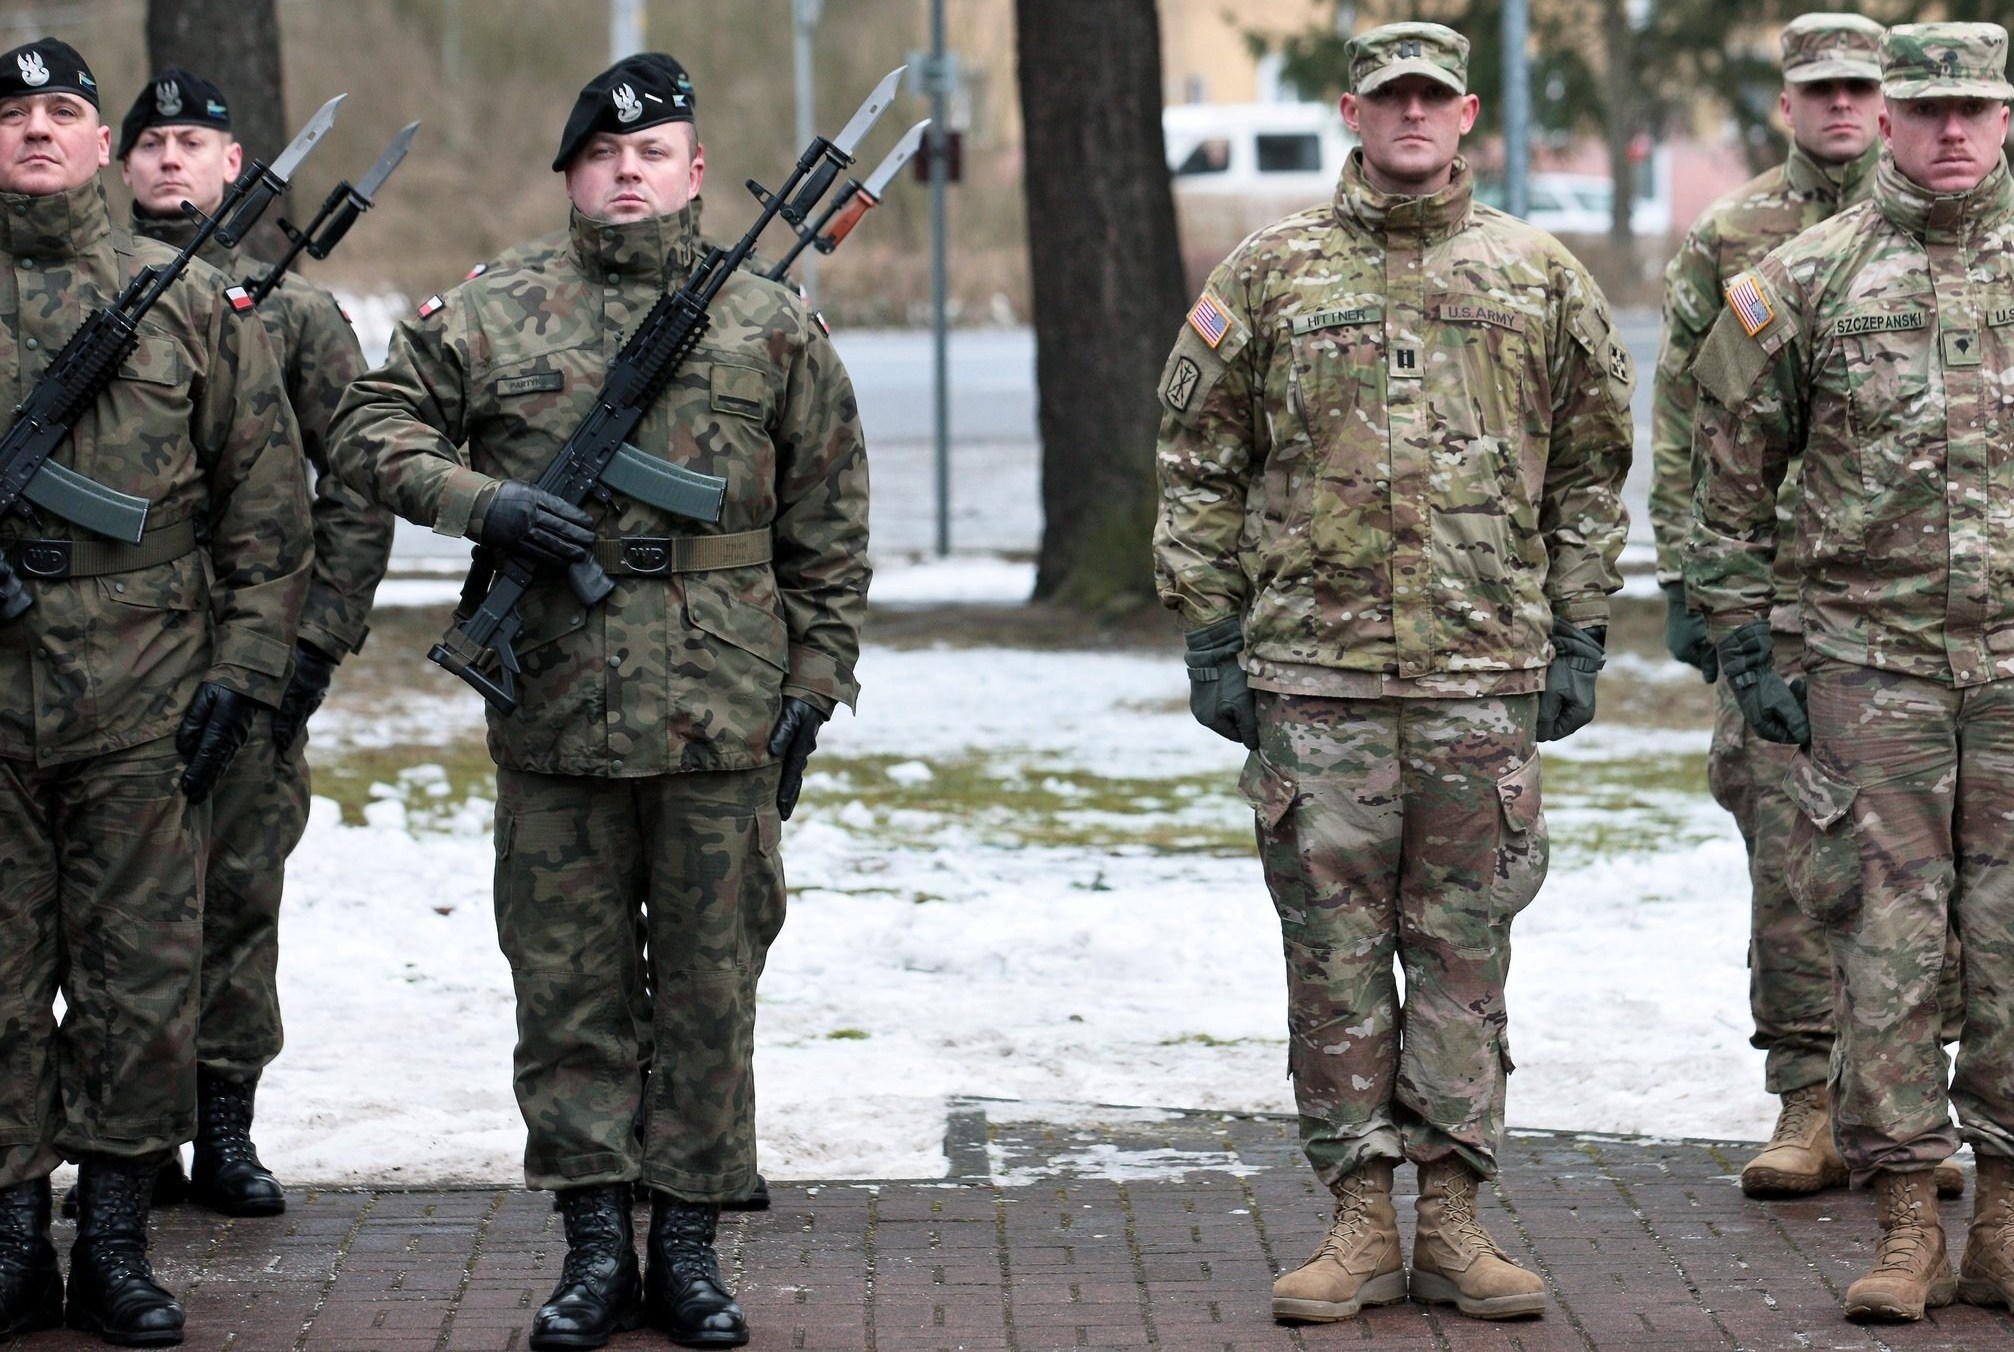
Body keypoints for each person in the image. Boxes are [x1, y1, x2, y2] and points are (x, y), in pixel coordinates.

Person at [331, 52, 867, 1351]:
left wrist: (814, 678)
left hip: (720, 711)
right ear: (572, 172)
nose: (627, 170)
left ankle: (685, 1249)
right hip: (557, 708)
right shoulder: (494, 310)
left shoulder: (766, 319)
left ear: (691, 169)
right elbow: (366, 424)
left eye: (654, 152)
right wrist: (486, 504)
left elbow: (831, 517)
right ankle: (588, 1250)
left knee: (706, 986)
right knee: (566, 990)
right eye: (602, 154)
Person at [1153, 20, 1631, 1326]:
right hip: (1315, 678)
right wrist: (1209, 632)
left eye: (1430, 96)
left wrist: (1579, 629)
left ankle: (1457, 1221)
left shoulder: (1537, 276)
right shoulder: (1266, 276)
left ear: (1466, 112)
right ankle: (1359, 1219)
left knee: (1465, 953)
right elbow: (1197, 461)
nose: (1409, 116)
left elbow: (1590, 467)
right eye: (1386, 98)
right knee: (1333, 956)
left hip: (1482, 673)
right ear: (1349, 115)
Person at [1687, 20, 2014, 1325]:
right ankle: (1899, 1224)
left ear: (2003, 121)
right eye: (1922, 110)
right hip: (1865, 674)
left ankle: (2001, 1226)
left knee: (2007, 950)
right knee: (1882, 952)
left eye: (1972, 110)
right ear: (1882, 121)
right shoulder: (1798, 281)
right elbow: (1724, 479)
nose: (1948, 132)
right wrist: (1738, 634)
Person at [0, 37, 310, 1347]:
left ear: (97, 143)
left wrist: (244, 671)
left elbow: (268, 505)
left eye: (63, 111)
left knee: (141, 978)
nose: (34, 131)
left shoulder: (186, 296)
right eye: (10, 114)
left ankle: (116, 1238)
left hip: (144, 702)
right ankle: (13, 1238)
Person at [113, 66, 393, 1218]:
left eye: (194, 142)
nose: (171, 159)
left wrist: (312, 642)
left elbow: (361, 484)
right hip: (108, 665)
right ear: (119, 165)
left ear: (236, 166)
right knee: (110, 919)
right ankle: (126, 1145)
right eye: (152, 142)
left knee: (235, 905)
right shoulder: (83, 293)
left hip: (255, 662)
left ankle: (226, 1125)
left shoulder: (293, 314)